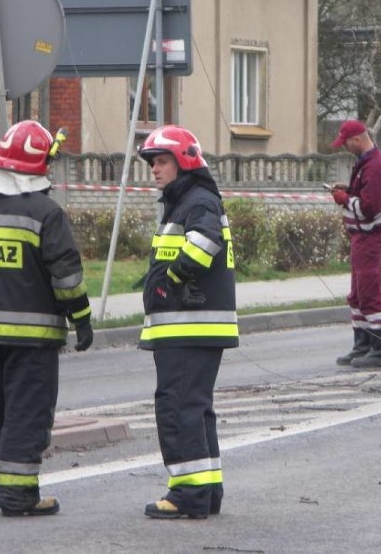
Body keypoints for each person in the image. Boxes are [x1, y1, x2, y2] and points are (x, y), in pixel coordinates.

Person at [0, 120, 93, 517]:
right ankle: (17, 495)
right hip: (34, 338)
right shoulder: (46, 214)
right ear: (39, 165)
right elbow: (66, 279)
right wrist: (81, 319)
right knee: (26, 414)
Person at [137, 125, 239, 520]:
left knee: (178, 407)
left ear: (184, 162)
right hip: (195, 326)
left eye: (161, 161)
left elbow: (206, 242)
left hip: (188, 325)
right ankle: (207, 489)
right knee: (195, 408)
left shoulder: (196, 202)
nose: (155, 170)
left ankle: (187, 494)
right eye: (152, 163)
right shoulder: (190, 200)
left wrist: (172, 279)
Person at [328, 119, 381, 368]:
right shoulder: (366, 163)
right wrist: (349, 189)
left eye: (346, 142)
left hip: (370, 237)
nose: (345, 147)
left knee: (370, 294)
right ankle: (363, 345)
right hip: (360, 238)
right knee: (357, 295)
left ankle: (380, 350)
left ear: (357, 139)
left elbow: (369, 207)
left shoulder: (376, 166)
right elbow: (365, 194)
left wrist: (344, 198)